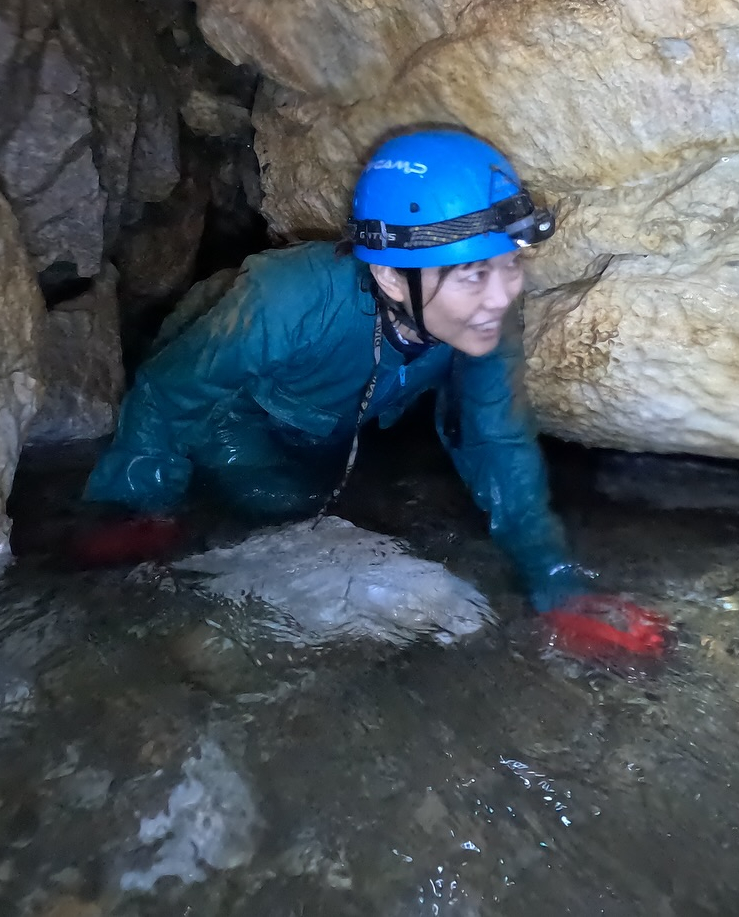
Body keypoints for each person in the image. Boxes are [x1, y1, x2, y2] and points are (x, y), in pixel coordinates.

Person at [74, 128, 666, 655]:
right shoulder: (287, 299)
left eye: (508, 265)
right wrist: (142, 503)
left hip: (328, 413)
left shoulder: (479, 321)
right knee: (278, 502)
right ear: (388, 273)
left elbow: (497, 441)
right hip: (236, 405)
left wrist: (555, 583)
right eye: (473, 274)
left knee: (348, 501)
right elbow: (171, 391)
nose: (501, 295)